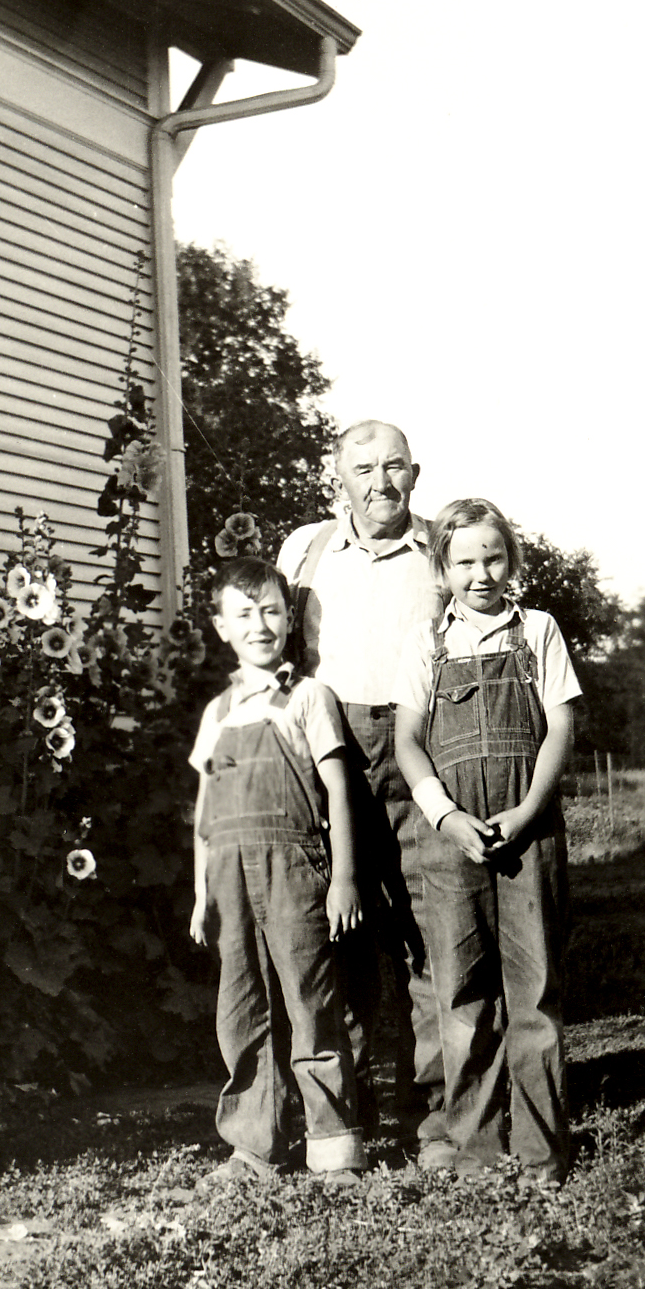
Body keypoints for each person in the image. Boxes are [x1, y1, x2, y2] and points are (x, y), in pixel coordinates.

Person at [393, 498, 581, 1186]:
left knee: (532, 994)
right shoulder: (426, 643)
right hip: (452, 840)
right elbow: (407, 742)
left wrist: (528, 809)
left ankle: (539, 1157)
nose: (480, 574)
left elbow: (559, 729)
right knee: (462, 995)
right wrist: (444, 816)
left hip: (528, 833)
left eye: (492, 558)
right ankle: (475, 1153)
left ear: (513, 561)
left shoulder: (537, 632)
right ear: (441, 569)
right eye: (463, 561)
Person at [278, 420, 446, 1152]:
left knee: (430, 935)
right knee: (336, 935)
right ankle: (342, 1123)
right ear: (336, 478)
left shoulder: (442, 547)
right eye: (363, 469)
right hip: (328, 752)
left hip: (421, 747)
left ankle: (436, 1121)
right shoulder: (304, 550)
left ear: (416, 473)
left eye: (394, 467)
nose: (380, 482)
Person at [189, 557, 368, 1189]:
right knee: (241, 1007)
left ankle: (334, 1147)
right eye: (244, 614)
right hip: (230, 879)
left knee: (311, 1001)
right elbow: (206, 812)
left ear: (289, 620)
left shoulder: (308, 697)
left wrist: (343, 877)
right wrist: (199, 894)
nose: (259, 625)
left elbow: (339, 790)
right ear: (221, 627)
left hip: (294, 867)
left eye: (270, 611)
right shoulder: (218, 714)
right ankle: (253, 1147)